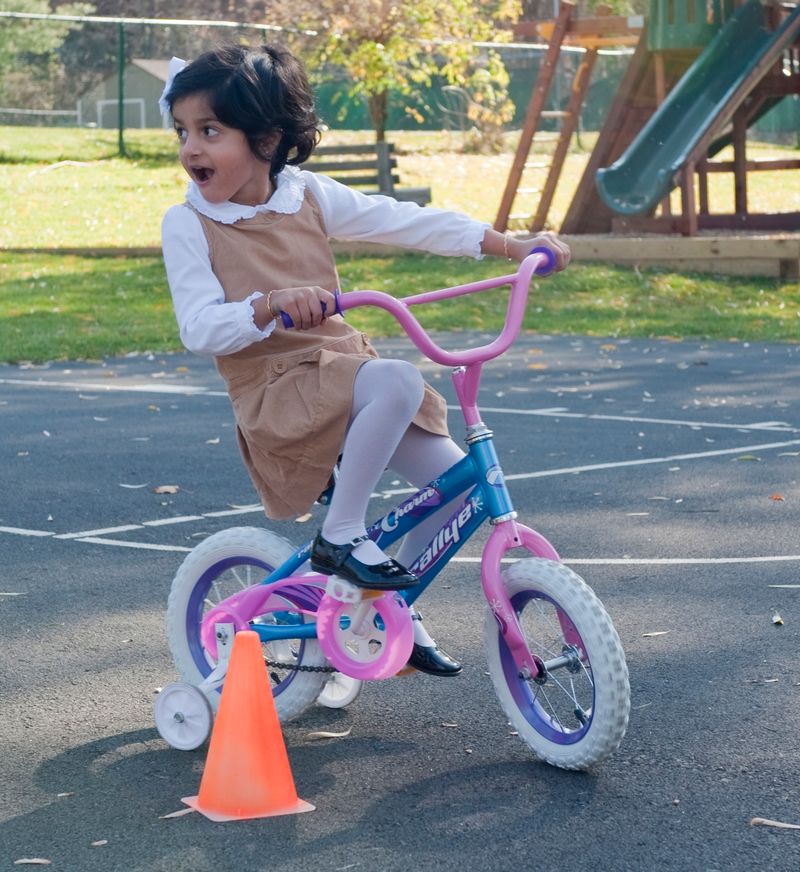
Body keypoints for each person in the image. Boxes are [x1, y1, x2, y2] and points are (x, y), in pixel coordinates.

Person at [159, 43, 570, 677]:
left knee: (455, 493)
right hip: (279, 389)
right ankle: (342, 535)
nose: (191, 149)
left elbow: (404, 221)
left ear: (268, 138)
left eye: (210, 131)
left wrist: (510, 245)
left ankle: (386, 607)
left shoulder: (306, 196)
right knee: (398, 379)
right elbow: (199, 328)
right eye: (184, 131)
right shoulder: (188, 223)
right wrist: (268, 305)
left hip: (349, 376)